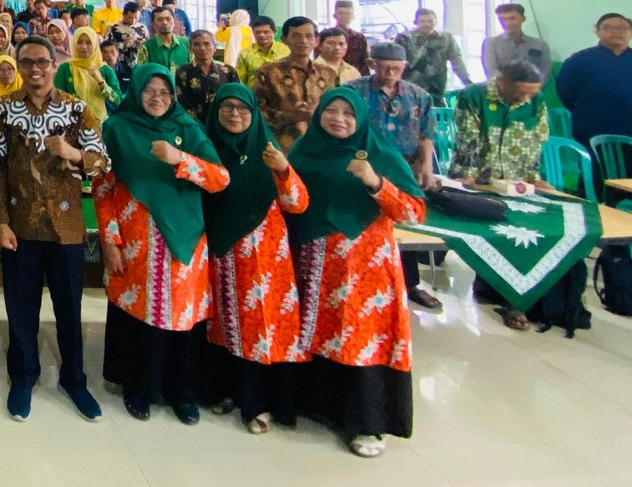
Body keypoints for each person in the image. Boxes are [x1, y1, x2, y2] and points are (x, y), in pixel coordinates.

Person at [286, 87, 425, 457]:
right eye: (331, 111)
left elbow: (413, 212)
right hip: (312, 263)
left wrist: (376, 183)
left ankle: (366, 422)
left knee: (357, 337)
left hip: (365, 270)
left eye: (349, 113)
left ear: (361, 118)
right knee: (315, 331)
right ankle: (315, 406)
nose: (339, 119)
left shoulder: (379, 154)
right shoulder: (303, 151)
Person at [98, 65, 230, 424]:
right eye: (149, 91)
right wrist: (110, 241)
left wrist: (181, 160)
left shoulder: (188, 130)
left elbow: (220, 179)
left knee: (183, 319)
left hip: (184, 243)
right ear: (136, 91)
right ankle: (139, 387)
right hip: (135, 241)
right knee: (138, 316)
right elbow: (103, 188)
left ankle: (182, 392)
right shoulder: (117, 129)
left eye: (165, 92)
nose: (157, 98)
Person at [0, 36, 108, 421]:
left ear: (54, 66)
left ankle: (74, 381)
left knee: (68, 309)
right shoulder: (4, 108)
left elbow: (100, 161)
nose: (35, 70)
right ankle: (22, 379)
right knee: (21, 309)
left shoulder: (75, 108)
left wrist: (73, 153)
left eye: (42, 62)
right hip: (21, 227)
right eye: (27, 63)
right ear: (19, 67)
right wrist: (1, 221)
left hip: (67, 227)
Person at [200, 84, 308, 433]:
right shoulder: (206, 148)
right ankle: (225, 390)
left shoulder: (268, 151)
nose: (234, 115)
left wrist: (282, 170)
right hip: (218, 253)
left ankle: (257, 402)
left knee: (259, 324)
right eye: (227, 107)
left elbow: (297, 203)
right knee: (222, 325)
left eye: (242, 109)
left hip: (263, 255)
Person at [451, 60, 550, 331]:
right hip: (480, 177)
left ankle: (514, 298)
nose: (525, 98)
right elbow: (467, 137)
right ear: (503, 81)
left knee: (521, 234)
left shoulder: (536, 100)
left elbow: (536, 139)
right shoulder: (475, 95)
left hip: (518, 179)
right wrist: (468, 176)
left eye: (531, 92)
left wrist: (534, 177)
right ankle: (488, 288)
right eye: (520, 92)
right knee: (491, 233)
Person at [347, 43, 442, 312]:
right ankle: (364, 282)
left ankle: (409, 284)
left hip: (404, 170)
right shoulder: (354, 92)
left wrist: (426, 167)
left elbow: (426, 134)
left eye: (397, 69)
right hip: (364, 169)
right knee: (368, 227)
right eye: (385, 67)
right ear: (371, 63)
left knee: (404, 226)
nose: (391, 73)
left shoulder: (418, 95)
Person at [252, 18, 337, 149]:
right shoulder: (268, 72)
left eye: (308, 36)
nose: (303, 41)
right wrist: (289, 116)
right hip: (283, 147)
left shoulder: (328, 74)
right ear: (284, 39)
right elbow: (256, 111)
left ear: (316, 40)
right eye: (296, 36)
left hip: (323, 146)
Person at [557, 12, 632, 145]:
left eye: (622, 28)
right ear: (597, 31)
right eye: (608, 28)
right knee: (596, 165)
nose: (615, 32)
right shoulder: (579, 60)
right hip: (593, 131)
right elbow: (565, 93)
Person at [395, 9, 471, 99]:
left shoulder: (446, 38)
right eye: (422, 21)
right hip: (409, 88)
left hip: (437, 88)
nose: (426, 24)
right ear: (415, 22)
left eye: (430, 21)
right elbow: (396, 63)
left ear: (436, 22)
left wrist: (468, 83)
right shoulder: (404, 38)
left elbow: (457, 61)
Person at [54, 26, 118, 126]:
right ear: (74, 44)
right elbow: (56, 99)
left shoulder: (105, 70)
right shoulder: (65, 69)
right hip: (73, 124)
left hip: (101, 125)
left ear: (95, 44)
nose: (84, 46)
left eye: (89, 43)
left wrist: (101, 83)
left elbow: (118, 101)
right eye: (79, 42)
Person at [175, 30, 236, 122]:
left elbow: (235, 98)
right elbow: (183, 102)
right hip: (194, 126)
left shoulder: (228, 71)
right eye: (196, 44)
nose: (202, 48)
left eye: (206, 44)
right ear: (190, 49)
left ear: (214, 47)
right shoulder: (183, 72)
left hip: (225, 122)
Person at [481, 3, 551, 80]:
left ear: (523, 18)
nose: (507, 23)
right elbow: (491, 70)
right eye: (503, 19)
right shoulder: (491, 43)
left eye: (512, 18)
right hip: (500, 87)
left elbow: (545, 70)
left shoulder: (540, 45)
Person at [234, 16, 289, 85]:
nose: (262, 35)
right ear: (253, 32)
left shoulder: (286, 51)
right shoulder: (245, 53)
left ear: (274, 32)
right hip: (254, 94)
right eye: (257, 32)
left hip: (280, 93)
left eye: (266, 32)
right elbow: (240, 80)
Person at [137, 5, 190, 72]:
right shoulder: (146, 46)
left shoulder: (187, 44)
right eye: (159, 20)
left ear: (174, 22)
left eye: (168, 19)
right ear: (153, 24)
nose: (165, 23)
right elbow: (142, 73)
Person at [331, 0, 369, 75]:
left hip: (355, 78)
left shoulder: (359, 38)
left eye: (348, 13)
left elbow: (364, 63)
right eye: (341, 13)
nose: (344, 16)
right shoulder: (326, 36)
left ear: (353, 16)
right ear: (335, 15)